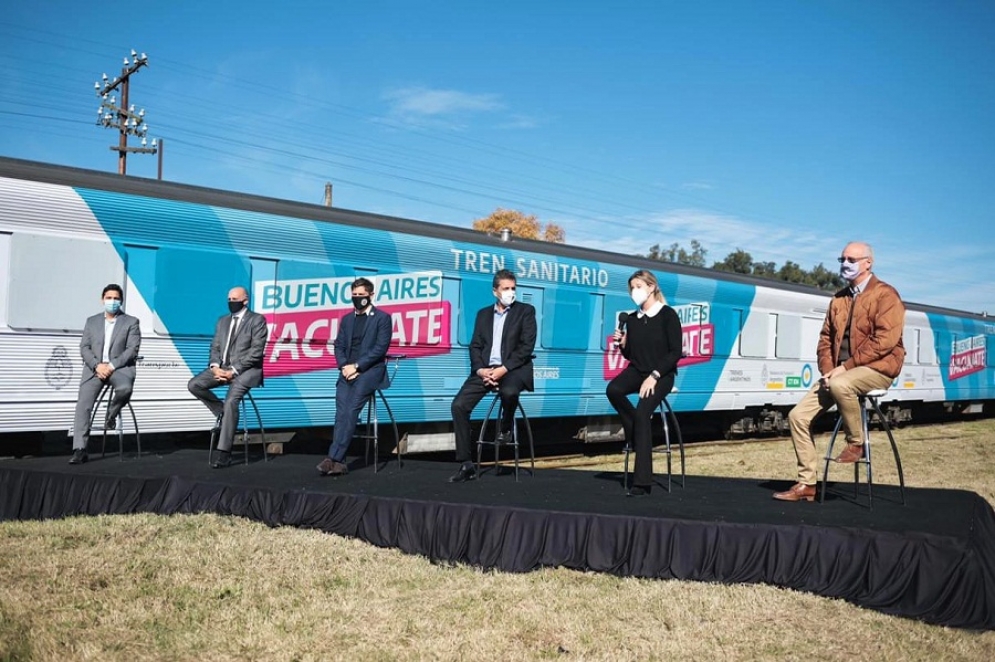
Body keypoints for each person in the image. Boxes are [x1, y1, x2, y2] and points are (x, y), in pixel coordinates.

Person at [774, 242, 905, 502]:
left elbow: (885, 341)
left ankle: (857, 443)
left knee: (842, 384)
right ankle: (807, 484)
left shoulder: (886, 295)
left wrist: (844, 368)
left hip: (877, 368)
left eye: (851, 259)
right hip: (839, 374)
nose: (845, 264)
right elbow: (825, 340)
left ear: (868, 262)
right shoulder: (838, 298)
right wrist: (828, 370)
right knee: (797, 416)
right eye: (842, 259)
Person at [449, 269, 537, 483]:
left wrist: (502, 369)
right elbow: (476, 346)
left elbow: (526, 348)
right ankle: (466, 464)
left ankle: (506, 428)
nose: (510, 292)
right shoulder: (483, 314)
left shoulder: (526, 311)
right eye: (506, 288)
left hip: (513, 370)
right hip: (486, 370)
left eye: (513, 288)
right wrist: (481, 370)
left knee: (509, 391)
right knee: (458, 405)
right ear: (495, 291)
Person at [606, 270, 682, 496]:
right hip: (637, 370)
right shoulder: (631, 319)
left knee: (642, 413)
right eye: (632, 288)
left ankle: (641, 482)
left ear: (651, 287)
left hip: (662, 374)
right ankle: (633, 429)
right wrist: (623, 344)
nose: (634, 291)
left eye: (638, 286)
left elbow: (675, 352)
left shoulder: (668, 315)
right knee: (614, 390)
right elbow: (632, 355)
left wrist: (655, 375)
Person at [316, 278, 393, 476]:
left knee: (351, 410)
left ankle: (333, 457)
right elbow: (339, 345)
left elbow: (380, 349)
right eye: (354, 295)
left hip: (369, 371)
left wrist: (357, 366)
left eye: (361, 295)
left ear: (371, 295)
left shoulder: (382, 318)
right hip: (346, 371)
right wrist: (344, 366)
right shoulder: (348, 319)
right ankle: (339, 463)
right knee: (340, 413)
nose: (357, 299)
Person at [188, 286, 268, 469]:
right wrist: (215, 366)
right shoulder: (222, 321)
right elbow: (215, 347)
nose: (231, 302)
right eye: (229, 299)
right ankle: (222, 413)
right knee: (194, 385)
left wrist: (233, 370)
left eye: (235, 299)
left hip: (247, 371)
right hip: (222, 368)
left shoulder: (257, 320)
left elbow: (256, 352)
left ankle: (224, 452)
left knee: (232, 399)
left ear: (245, 300)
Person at [70, 284, 141, 465]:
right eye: (109, 298)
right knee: (83, 405)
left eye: (116, 298)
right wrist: (96, 365)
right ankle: (80, 449)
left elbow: (132, 349)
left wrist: (111, 365)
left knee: (125, 388)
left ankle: (111, 415)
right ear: (102, 299)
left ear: (121, 301)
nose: (112, 301)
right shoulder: (91, 321)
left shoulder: (131, 322)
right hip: (95, 369)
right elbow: (84, 347)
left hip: (118, 368)